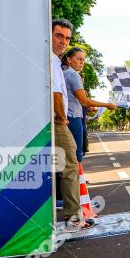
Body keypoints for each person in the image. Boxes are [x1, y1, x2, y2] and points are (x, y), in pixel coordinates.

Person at [51, 19, 94, 230]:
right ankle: (74, 217)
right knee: (71, 164)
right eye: (59, 36)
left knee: (65, 164)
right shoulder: (53, 62)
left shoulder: (56, 63)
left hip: (63, 118)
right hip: (60, 121)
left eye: (67, 38)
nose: (63, 41)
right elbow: (56, 93)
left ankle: (71, 212)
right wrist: (62, 117)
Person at [61, 46, 117, 162]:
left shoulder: (64, 73)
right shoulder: (73, 74)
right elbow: (84, 100)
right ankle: (76, 179)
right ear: (69, 59)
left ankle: (78, 179)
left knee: (71, 155)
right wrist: (107, 105)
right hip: (73, 116)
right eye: (79, 59)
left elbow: (78, 99)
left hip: (69, 115)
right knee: (76, 155)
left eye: (83, 60)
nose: (82, 62)